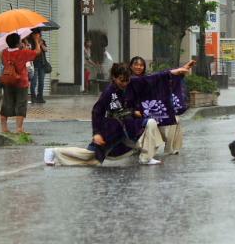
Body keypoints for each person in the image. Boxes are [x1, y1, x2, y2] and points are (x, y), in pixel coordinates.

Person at [44, 61, 193, 166]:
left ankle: (146, 157)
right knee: (92, 158)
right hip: (112, 130)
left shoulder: (132, 83)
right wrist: (97, 133)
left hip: (130, 125)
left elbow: (152, 79)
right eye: (121, 80)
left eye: (127, 80)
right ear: (114, 78)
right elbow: (97, 111)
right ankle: (54, 152)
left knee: (151, 122)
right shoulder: (109, 92)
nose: (125, 83)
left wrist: (175, 72)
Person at [129, 55, 190, 154]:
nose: (138, 67)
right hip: (135, 116)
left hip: (148, 112)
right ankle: (145, 153)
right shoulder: (128, 80)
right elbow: (157, 77)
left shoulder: (147, 79)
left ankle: (171, 148)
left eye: (141, 65)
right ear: (131, 66)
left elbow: (159, 81)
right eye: (136, 64)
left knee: (175, 118)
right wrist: (133, 112)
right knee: (152, 122)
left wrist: (178, 74)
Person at [0, 32, 42, 134]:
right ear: (18, 43)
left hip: (8, 81)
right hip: (21, 82)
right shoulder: (23, 53)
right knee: (21, 104)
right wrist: (36, 40)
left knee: (6, 103)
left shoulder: (4, 53)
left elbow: (3, 61)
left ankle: (4, 128)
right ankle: (19, 129)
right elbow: (37, 52)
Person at [29, 30, 49, 104]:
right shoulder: (30, 42)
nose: (38, 35)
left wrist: (41, 44)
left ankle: (40, 97)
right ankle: (33, 97)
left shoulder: (42, 41)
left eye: (38, 34)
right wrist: (36, 42)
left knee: (41, 82)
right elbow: (34, 52)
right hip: (34, 64)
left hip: (42, 64)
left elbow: (46, 50)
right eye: (36, 34)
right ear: (32, 35)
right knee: (33, 82)